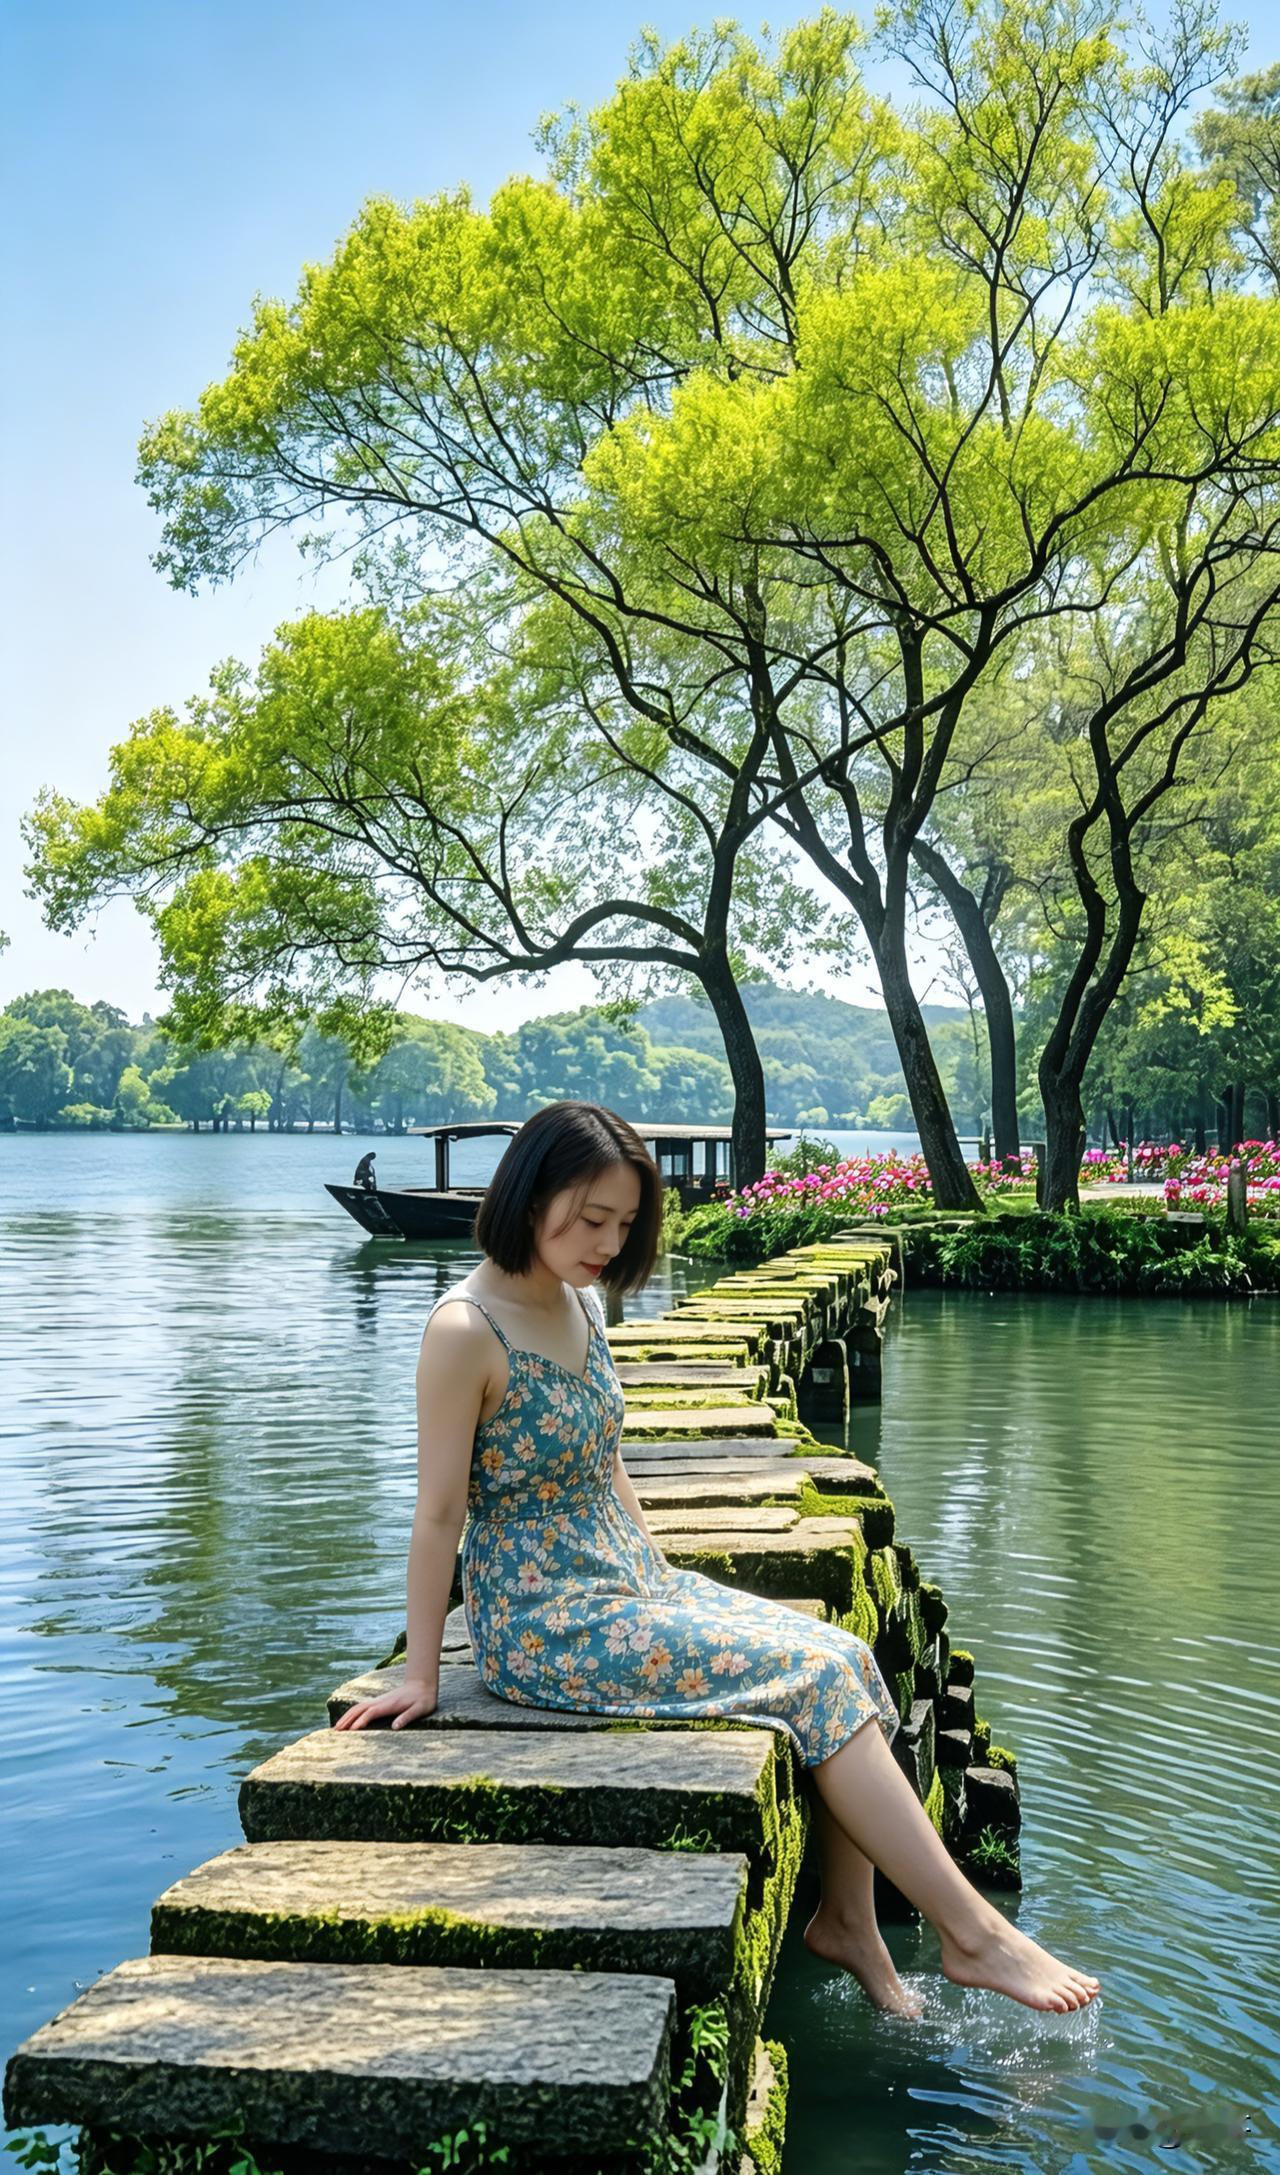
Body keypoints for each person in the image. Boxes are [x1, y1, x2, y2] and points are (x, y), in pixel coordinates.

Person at [336, 1100, 1101, 2020]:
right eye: (590, 1220)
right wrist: (425, 1672)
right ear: (528, 1195)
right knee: (814, 1677)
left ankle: (849, 1922)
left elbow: (606, 1455)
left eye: (623, 1226)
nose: (608, 1245)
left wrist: (667, 1579)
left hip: (629, 1582)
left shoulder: (579, 1299)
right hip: (545, 1623)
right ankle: (973, 1933)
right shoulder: (464, 1330)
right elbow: (438, 1513)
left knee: (848, 1656)